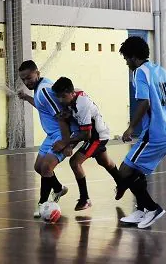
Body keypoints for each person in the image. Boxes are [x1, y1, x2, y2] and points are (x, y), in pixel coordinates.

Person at [115, 36, 166, 229]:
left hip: (156, 132)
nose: (126, 63)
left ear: (133, 57)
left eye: (126, 58)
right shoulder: (161, 72)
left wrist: (131, 127)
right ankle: (141, 210)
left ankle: (152, 208)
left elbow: (144, 102)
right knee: (137, 169)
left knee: (125, 171)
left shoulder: (140, 73)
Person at [51, 77, 122, 211]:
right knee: (105, 162)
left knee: (75, 162)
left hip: (97, 137)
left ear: (71, 93)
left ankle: (85, 199)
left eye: (63, 96)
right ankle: (122, 183)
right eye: (58, 97)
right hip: (95, 133)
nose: (61, 100)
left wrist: (66, 143)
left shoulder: (81, 105)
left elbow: (86, 135)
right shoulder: (74, 97)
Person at [17, 60, 70, 218]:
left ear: (37, 73)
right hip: (52, 135)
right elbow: (42, 106)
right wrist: (27, 98)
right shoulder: (39, 88)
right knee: (38, 167)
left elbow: (62, 116)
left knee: (46, 168)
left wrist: (66, 143)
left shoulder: (45, 90)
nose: (27, 82)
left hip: (61, 134)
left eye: (29, 77)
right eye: (23, 80)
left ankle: (43, 204)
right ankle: (59, 188)